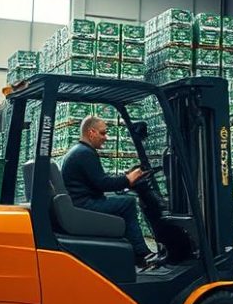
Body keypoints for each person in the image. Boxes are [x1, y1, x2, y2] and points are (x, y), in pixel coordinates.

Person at [61, 114, 160, 269]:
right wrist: (128, 179)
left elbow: (99, 180)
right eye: (103, 133)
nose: (106, 137)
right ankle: (141, 254)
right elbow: (103, 184)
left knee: (121, 199)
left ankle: (133, 253)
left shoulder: (78, 151)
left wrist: (125, 177)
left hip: (80, 201)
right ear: (91, 132)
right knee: (128, 203)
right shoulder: (85, 153)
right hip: (84, 204)